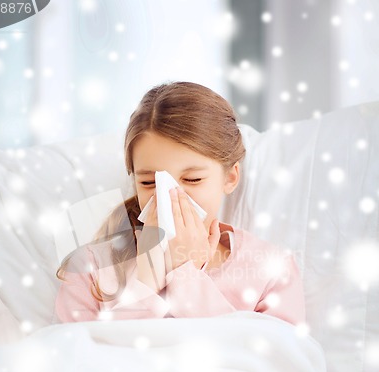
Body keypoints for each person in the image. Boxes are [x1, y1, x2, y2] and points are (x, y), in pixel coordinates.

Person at [55, 81, 306, 325]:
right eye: (149, 183)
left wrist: (186, 274)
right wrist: (146, 279)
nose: (170, 196)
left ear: (230, 178)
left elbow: (274, 362)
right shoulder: (91, 268)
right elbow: (81, 360)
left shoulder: (271, 270)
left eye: (193, 179)